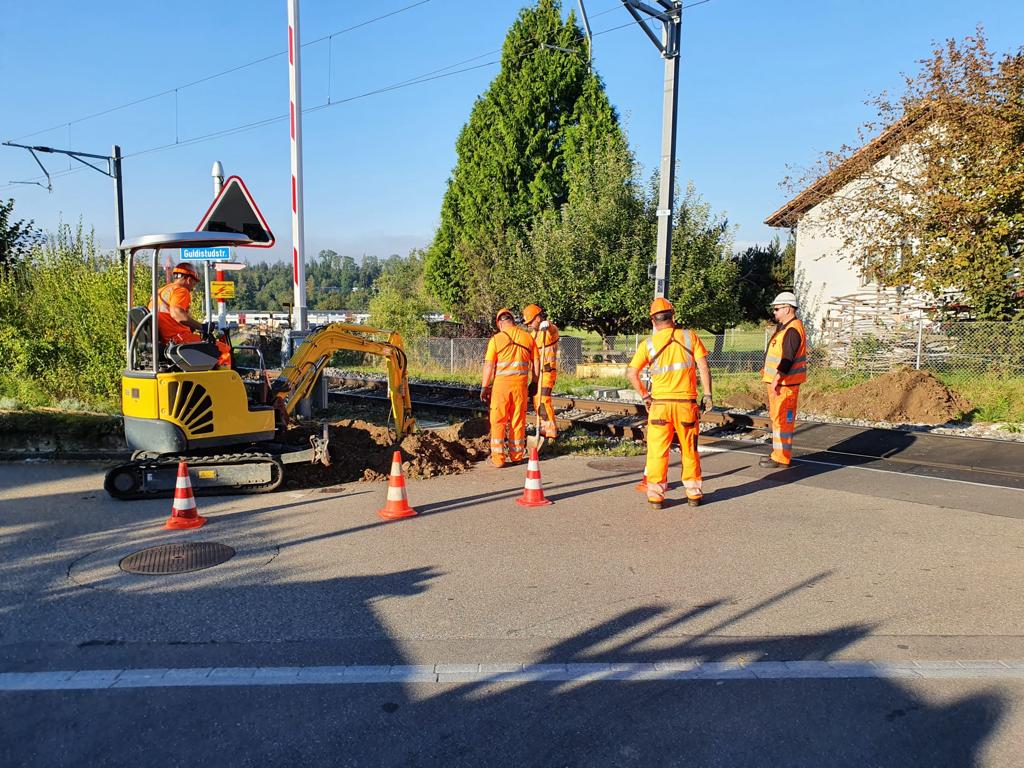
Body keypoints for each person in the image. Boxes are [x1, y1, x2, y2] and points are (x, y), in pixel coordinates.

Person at [627, 297, 714, 509]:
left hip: (660, 406)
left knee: (657, 451)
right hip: (686, 405)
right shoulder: (690, 337)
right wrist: (708, 395)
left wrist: (645, 396)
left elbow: (631, 373)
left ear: (653, 320)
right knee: (689, 449)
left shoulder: (648, 344)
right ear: (673, 316)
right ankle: (693, 493)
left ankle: (656, 496)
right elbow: (704, 367)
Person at [480, 308, 539, 467]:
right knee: (517, 420)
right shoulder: (527, 337)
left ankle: (498, 459)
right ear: (513, 321)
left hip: (501, 387)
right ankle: (517, 455)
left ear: (500, 323)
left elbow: (489, 365)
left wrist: (484, 386)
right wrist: (534, 382)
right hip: (521, 386)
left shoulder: (496, 339)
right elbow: (536, 363)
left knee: (498, 420)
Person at [149, 262, 231, 368]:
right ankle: (222, 378)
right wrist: (202, 327)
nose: (193, 287)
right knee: (224, 350)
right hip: (178, 339)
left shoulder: (160, 291)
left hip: (165, 340)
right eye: (194, 283)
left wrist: (192, 326)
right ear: (189, 279)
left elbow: (169, 317)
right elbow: (176, 313)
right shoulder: (181, 290)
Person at [760, 291, 807, 469]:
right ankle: (778, 454)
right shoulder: (785, 328)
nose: (774, 312)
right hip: (781, 384)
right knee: (778, 420)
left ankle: (781, 457)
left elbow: (787, 359)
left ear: (787, 309)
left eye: (777, 309)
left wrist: (776, 379)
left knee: (783, 422)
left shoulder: (792, 330)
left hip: (785, 385)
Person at [522, 303, 559, 440]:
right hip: (537, 374)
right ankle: (543, 428)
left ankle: (551, 433)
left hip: (548, 373)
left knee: (544, 400)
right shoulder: (533, 335)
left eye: (530, 322)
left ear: (538, 318)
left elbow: (553, 329)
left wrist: (547, 325)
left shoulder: (549, 332)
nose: (529, 325)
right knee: (537, 401)